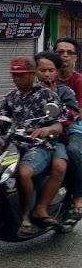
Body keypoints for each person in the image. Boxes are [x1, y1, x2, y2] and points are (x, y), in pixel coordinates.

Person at [0, 57, 65, 236]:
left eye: (21, 75)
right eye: (14, 76)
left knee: (24, 172)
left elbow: (59, 126)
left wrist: (47, 129)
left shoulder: (48, 95)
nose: (17, 79)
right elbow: (3, 120)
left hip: (41, 146)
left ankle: (26, 215)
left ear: (32, 74)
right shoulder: (11, 96)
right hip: (15, 143)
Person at [32, 51, 79, 224]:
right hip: (26, 139)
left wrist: (55, 98)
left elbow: (72, 115)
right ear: (34, 71)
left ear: (57, 72)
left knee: (59, 166)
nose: (46, 74)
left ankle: (41, 208)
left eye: (51, 70)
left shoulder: (65, 92)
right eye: (42, 70)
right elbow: (10, 113)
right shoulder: (27, 91)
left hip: (56, 140)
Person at [53, 37, 82, 219]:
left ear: (76, 57)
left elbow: (79, 111)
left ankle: (78, 195)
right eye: (60, 52)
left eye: (69, 53)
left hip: (75, 127)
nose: (64, 56)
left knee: (72, 150)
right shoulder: (47, 76)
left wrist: (69, 117)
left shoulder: (79, 81)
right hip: (49, 125)